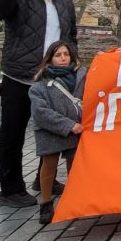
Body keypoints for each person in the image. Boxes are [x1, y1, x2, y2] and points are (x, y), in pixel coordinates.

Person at [0, 0, 77, 207]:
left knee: (53, 131)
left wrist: (71, 64)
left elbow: (70, 37)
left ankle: (45, 180)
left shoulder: (64, 1)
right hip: (19, 77)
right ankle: (10, 189)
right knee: (12, 133)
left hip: (53, 80)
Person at [29, 41, 85, 226]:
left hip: (75, 129)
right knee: (49, 165)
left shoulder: (79, 77)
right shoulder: (39, 86)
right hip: (51, 130)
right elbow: (41, 112)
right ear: (50, 59)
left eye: (66, 54)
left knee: (74, 165)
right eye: (58, 55)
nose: (63, 58)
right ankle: (46, 203)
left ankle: (74, 200)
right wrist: (68, 125)